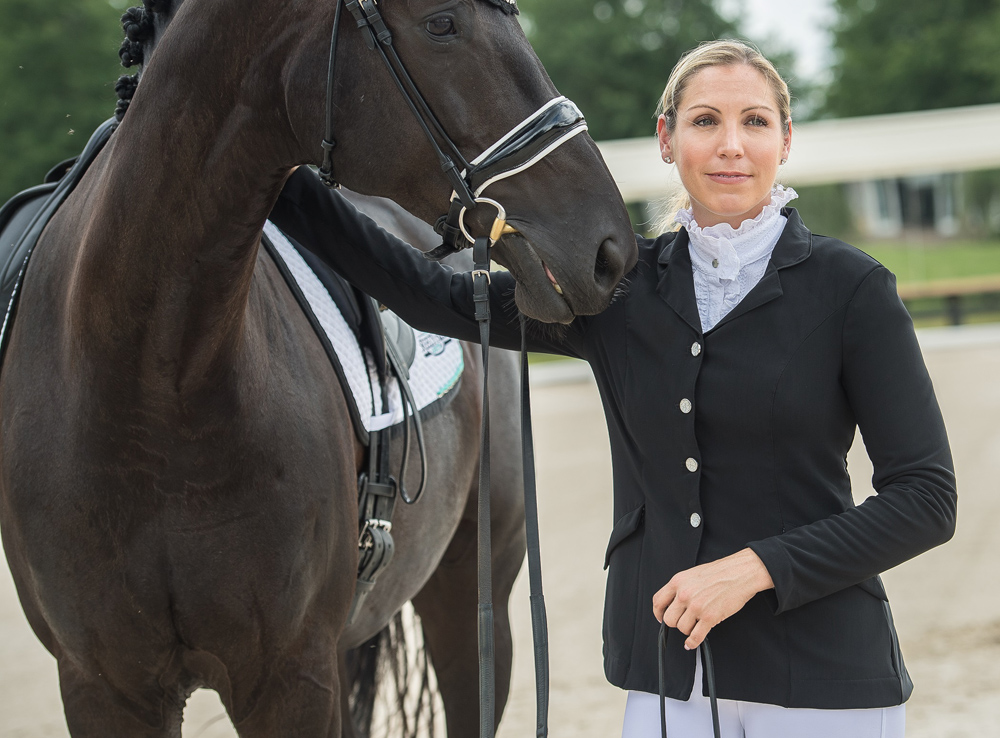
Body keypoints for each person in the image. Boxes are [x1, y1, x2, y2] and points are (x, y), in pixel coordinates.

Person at [269, 40, 956, 737]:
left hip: (825, 678)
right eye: (705, 120)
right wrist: (279, 177)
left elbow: (926, 498)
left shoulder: (854, 290)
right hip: (668, 680)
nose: (731, 145)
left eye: (754, 121)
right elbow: (433, 297)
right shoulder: (618, 290)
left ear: (785, 140)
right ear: (667, 139)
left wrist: (755, 569)